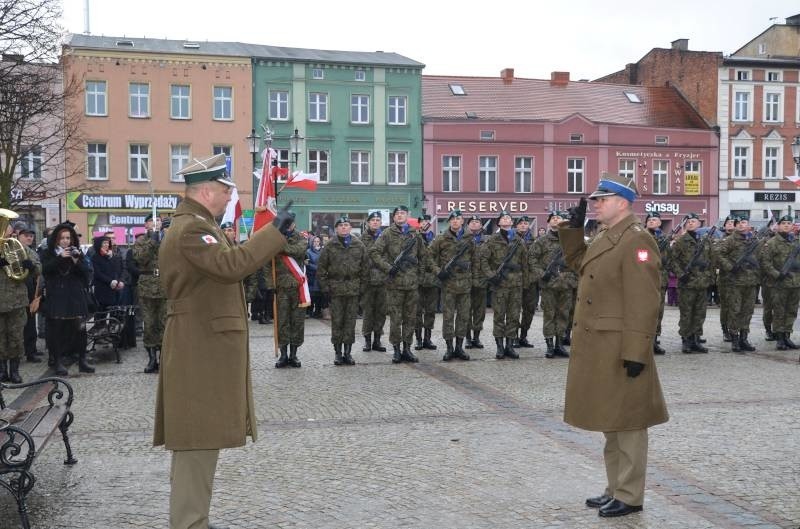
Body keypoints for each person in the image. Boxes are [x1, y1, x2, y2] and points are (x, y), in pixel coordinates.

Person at [153, 153, 291, 529]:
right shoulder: (193, 229)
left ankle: (192, 517)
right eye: (226, 190)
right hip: (198, 344)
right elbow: (231, 267)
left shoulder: (198, 224)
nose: (231, 197)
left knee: (199, 437)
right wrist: (273, 231)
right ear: (207, 191)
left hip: (200, 342)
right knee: (196, 437)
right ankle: (189, 522)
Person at [558, 173, 667, 518]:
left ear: (622, 203)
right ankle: (615, 487)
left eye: (601, 200)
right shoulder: (608, 235)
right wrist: (572, 232)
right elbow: (582, 267)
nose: (595, 205)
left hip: (621, 345)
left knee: (630, 424)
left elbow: (644, 301)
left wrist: (636, 352)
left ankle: (630, 494)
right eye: (594, 200)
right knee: (612, 421)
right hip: (601, 345)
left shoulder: (638, 241)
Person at [370, 205, 431, 363]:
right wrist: (388, 268)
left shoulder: (414, 234)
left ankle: (407, 348)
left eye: (402, 213)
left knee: (410, 318)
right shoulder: (387, 233)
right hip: (394, 284)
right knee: (396, 319)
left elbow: (424, 256)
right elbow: (374, 252)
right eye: (397, 214)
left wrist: (420, 275)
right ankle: (396, 349)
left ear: (407, 215)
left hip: (412, 284)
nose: (399, 216)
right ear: (393, 217)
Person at [40, 222, 94, 376]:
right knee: (56, 330)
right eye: (62, 238)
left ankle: (82, 360)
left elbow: (86, 273)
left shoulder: (77, 252)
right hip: (57, 296)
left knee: (80, 330)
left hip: (75, 295)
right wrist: (59, 257)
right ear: (57, 239)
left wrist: (76, 261)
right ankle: (57, 361)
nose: (65, 241)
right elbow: (45, 270)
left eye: (68, 238)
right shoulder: (48, 253)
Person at [317, 216, 368, 365]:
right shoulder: (330, 246)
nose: (344, 227)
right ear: (336, 229)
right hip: (336, 290)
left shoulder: (359, 245)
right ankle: (338, 353)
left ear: (350, 228)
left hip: (353, 290)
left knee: (350, 323)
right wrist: (326, 288)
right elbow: (321, 270)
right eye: (341, 225)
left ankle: (348, 353)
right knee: (337, 322)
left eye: (346, 225)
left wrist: (361, 289)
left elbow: (365, 269)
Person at [480, 210, 527, 359]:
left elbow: (524, 263)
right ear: (499, 222)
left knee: (514, 316)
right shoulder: (492, 240)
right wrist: (491, 276)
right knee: (499, 316)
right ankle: (500, 347)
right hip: (499, 285)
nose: (506, 219)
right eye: (503, 218)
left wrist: (524, 282)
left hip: (515, 285)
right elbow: (483, 261)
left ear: (512, 222)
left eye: (509, 218)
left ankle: (509, 346)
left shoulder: (519, 240)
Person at [266, 212, 309, 368]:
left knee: (297, 322)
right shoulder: (274, 238)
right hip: (281, 288)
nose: (288, 225)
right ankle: (283, 355)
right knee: (282, 321)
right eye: (285, 223)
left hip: (298, 287)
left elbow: (296, 251)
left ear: (294, 224)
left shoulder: (301, 238)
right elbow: (266, 266)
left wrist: (277, 243)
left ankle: (294, 355)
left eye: (290, 223)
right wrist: (271, 286)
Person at [529, 211, 575, 359]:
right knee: (549, 315)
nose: (556, 220)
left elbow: (578, 260)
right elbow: (532, 260)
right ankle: (549, 345)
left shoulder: (569, 241)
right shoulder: (541, 241)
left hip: (566, 284)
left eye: (559, 218)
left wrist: (573, 278)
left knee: (564, 315)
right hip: (549, 284)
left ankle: (559, 344)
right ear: (548, 222)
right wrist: (542, 274)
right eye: (553, 218)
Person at [430, 209, 473, 361]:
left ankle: (459, 347)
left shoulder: (469, 238)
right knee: (448, 317)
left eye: (458, 219)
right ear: (449, 222)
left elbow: (476, 259)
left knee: (463, 317)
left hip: (465, 284)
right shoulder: (441, 239)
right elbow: (429, 257)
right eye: (452, 219)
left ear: (462, 221)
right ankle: (449, 348)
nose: (455, 221)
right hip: (448, 284)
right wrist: (438, 271)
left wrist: (470, 273)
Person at [0, 222, 39, 382]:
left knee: (16, 337)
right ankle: (2, 371)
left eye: (11, 235)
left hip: (17, 301)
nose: (9, 238)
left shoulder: (21, 249)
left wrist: (30, 266)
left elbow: (38, 269)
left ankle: (14, 370)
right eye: (6, 235)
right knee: (0, 338)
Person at [669, 213, 713, 353]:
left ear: (699, 224)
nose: (691, 224)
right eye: (688, 222)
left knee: (700, 313)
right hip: (687, 284)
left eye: (693, 221)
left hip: (702, 283)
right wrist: (681, 275)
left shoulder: (705, 241)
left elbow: (711, 260)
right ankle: (686, 340)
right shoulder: (681, 241)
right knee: (687, 313)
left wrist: (708, 277)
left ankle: (696, 339)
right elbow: (673, 261)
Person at [715, 215, 760, 353]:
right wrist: (730, 266)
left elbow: (761, 258)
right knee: (735, 310)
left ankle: (744, 338)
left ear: (748, 224)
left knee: (747, 311)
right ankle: (734, 338)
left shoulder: (754, 240)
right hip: (734, 282)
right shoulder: (730, 240)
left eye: (743, 222)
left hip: (751, 281)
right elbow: (718, 254)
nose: (740, 225)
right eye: (737, 223)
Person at [758, 215, 799, 353]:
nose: (787, 225)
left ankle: (787, 336)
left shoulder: (795, 242)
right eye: (784, 223)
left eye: (789, 223)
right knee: (779, 311)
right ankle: (779, 338)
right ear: (779, 226)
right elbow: (765, 263)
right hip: (779, 284)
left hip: (795, 283)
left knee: (791, 311)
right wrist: (777, 274)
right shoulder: (772, 243)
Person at [134, 214, 169, 373]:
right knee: (149, 324)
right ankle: (151, 358)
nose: (155, 223)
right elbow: (140, 259)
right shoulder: (141, 241)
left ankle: (163, 357)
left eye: (158, 221)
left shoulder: (168, 240)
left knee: (164, 323)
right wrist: (152, 242)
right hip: (147, 286)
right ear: (146, 225)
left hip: (164, 286)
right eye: (151, 221)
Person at [360, 211, 388, 352]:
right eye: (373, 220)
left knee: (381, 312)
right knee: (368, 312)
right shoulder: (361, 239)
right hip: (368, 281)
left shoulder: (385, 237)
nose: (375, 222)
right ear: (368, 223)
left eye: (378, 220)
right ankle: (367, 341)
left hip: (383, 281)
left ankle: (377, 340)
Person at [17, 225, 44, 363]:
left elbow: (39, 269)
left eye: (31, 236)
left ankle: (31, 350)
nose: (29, 238)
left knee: (30, 323)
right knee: (17, 325)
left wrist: (33, 267)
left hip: (30, 291)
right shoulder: (11, 250)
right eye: (26, 235)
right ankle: (17, 353)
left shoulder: (33, 252)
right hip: (14, 293)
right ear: (18, 236)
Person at [644, 212, 668, 355]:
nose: (652, 222)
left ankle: (654, 340)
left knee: (658, 312)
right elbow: (641, 257)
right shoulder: (642, 237)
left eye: (655, 220)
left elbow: (669, 258)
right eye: (649, 220)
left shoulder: (664, 238)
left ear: (660, 223)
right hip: (646, 280)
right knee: (645, 312)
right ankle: (644, 341)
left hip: (661, 279)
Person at [414, 214, 438, 351]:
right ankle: (418, 339)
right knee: (417, 311)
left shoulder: (435, 238)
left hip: (432, 279)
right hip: (418, 280)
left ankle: (427, 339)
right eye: (422, 221)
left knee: (430, 311)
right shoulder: (415, 238)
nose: (425, 223)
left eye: (427, 221)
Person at [514, 215, 537, 348]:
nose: (523, 225)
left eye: (525, 223)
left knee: (529, 310)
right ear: (516, 226)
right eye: (521, 223)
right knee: (514, 310)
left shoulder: (534, 241)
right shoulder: (511, 240)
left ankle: (523, 336)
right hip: (516, 281)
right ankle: (514, 337)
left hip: (531, 281)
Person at [465, 215, 487, 349]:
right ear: (468, 225)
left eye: (477, 222)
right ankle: (467, 338)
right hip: (466, 281)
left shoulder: (487, 241)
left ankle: (476, 338)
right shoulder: (462, 239)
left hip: (482, 280)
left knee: (480, 311)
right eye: (472, 222)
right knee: (466, 310)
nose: (474, 224)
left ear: (481, 225)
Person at [306, 236, 323, 318]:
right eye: (315, 241)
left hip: (320, 277)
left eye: (318, 241)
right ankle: (309, 311)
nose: (317, 243)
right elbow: (307, 264)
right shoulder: (308, 252)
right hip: (312, 276)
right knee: (312, 295)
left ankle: (318, 311)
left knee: (319, 295)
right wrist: (317, 268)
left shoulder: (322, 251)